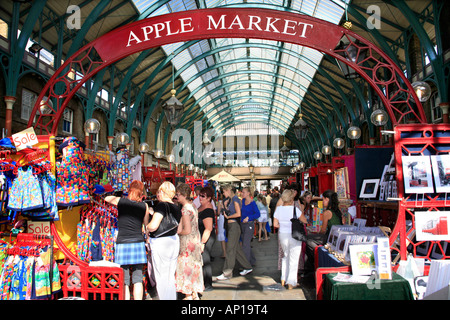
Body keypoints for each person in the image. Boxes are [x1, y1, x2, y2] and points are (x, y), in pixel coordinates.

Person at [104, 180, 149, 300]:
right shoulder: (144, 205)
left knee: (124, 280)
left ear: (130, 190)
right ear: (141, 192)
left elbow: (107, 199)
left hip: (123, 243)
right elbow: (146, 224)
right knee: (138, 278)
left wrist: (121, 195)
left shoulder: (121, 201)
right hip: (138, 243)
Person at [146, 181, 182, 300]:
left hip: (161, 243)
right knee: (169, 276)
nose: (157, 194)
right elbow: (179, 228)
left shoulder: (162, 205)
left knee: (161, 276)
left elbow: (154, 226)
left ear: (162, 192)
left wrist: (147, 227)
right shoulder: (176, 207)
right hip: (173, 241)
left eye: (158, 191)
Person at [216, 185, 253, 280]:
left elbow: (238, 213)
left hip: (234, 226)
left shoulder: (235, 200)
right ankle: (247, 266)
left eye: (224, 191)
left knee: (230, 249)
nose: (223, 193)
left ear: (228, 190)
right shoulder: (231, 200)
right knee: (236, 249)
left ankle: (227, 272)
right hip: (231, 226)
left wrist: (229, 217)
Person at [273, 189, 307, 289]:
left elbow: (275, 224)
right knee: (294, 258)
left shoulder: (278, 209)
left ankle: (283, 278)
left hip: (283, 235)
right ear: (291, 199)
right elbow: (304, 220)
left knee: (285, 256)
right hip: (294, 235)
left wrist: (283, 225)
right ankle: (291, 282)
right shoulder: (295, 210)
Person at [175, 183, 204, 300]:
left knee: (186, 267)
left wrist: (178, 232)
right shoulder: (193, 207)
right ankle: (194, 292)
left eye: (177, 195)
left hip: (187, 243)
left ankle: (187, 294)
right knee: (194, 265)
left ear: (183, 195)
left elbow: (186, 230)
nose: (176, 197)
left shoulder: (185, 210)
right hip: (195, 240)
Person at [305, 190, 343, 272]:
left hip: (329, 237)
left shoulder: (327, 213)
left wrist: (316, 233)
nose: (322, 201)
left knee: (307, 239)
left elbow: (323, 230)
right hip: (336, 237)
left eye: (323, 199)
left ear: (327, 199)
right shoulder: (337, 211)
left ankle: (316, 257)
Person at [197, 186, 216, 291]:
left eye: (203, 196)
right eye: (200, 195)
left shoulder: (208, 209)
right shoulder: (201, 206)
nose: (200, 197)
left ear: (209, 198)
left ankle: (208, 284)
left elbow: (208, 228)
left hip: (206, 237)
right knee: (203, 260)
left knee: (205, 259)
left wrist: (202, 242)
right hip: (202, 236)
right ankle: (204, 282)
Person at [240, 187, 260, 266]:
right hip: (242, 225)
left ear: (248, 193)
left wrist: (249, 218)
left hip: (249, 225)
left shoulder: (252, 202)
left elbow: (258, 214)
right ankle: (252, 260)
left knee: (245, 244)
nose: (242, 193)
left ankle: (246, 264)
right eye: (242, 192)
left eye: (244, 192)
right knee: (246, 244)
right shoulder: (243, 201)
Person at [216, 192, 226, 258]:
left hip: (222, 218)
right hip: (228, 218)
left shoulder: (220, 202)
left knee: (222, 235)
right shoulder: (230, 201)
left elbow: (218, 212)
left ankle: (224, 253)